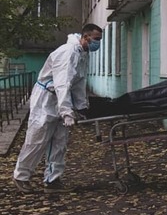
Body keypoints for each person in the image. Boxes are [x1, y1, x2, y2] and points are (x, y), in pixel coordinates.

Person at [13, 23, 103, 193]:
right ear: (85, 37)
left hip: (60, 98)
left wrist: (81, 107)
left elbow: (79, 82)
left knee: (59, 142)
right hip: (46, 99)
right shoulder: (68, 53)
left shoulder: (83, 53)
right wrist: (67, 112)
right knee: (37, 139)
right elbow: (62, 83)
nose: (98, 43)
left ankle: (53, 180)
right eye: (96, 39)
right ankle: (21, 177)